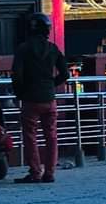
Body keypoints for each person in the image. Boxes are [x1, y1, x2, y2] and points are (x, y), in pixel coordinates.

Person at [11, 13, 69, 183]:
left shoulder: (23, 48)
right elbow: (65, 74)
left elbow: (17, 76)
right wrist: (51, 85)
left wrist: (19, 93)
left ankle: (35, 172)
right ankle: (50, 172)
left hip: (30, 99)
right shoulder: (53, 49)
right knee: (51, 136)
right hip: (49, 99)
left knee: (30, 136)